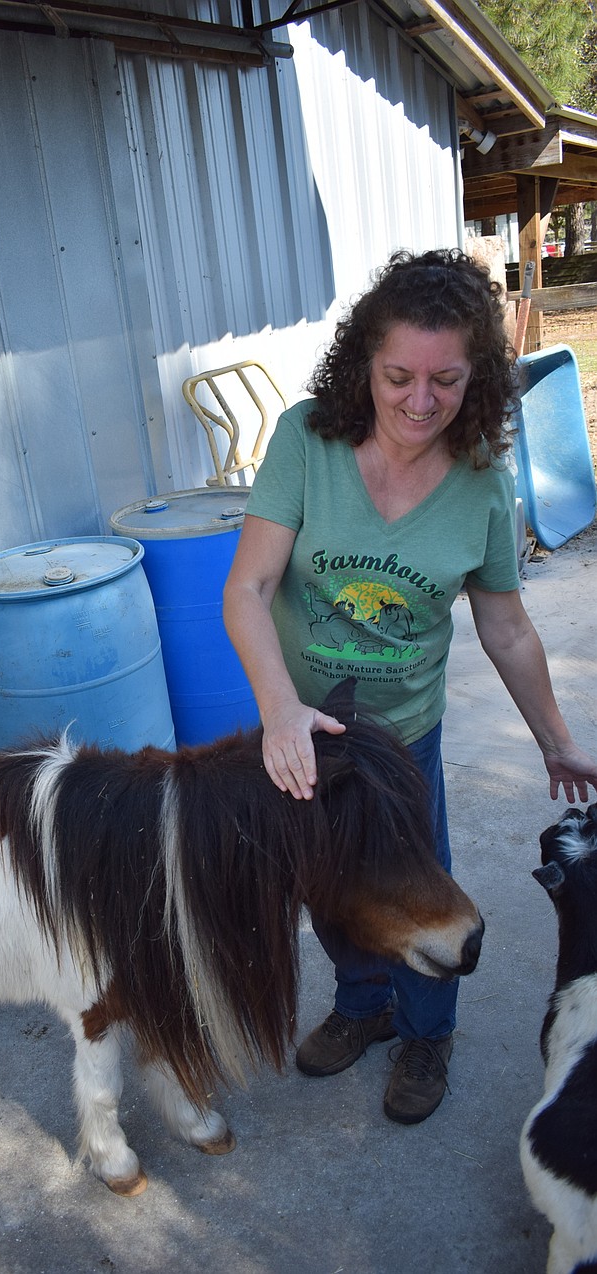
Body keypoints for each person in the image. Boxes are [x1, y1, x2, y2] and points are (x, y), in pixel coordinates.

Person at [223, 247, 597, 1125]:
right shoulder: (307, 440)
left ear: (479, 379)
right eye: (399, 376)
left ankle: (428, 1032)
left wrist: (557, 742)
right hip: (308, 727)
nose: (420, 402)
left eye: (447, 380)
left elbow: (506, 627)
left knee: (418, 881)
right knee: (331, 879)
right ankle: (364, 1005)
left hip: (405, 733)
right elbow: (248, 588)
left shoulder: (483, 479)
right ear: (367, 363)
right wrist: (278, 710)